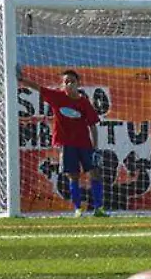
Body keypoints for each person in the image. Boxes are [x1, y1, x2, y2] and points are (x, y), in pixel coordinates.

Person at [16, 67, 105, 216]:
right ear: (62, 84)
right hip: (67, 145)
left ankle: (99, 208)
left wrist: (95, 148)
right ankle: (78, 209)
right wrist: (22, 80)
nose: (69, 84)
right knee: (73, 175)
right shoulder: (57, 97)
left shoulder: (84, 102)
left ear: (78, 83)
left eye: (72, 81)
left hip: (85, 144)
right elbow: (39, 88)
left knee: (95, 173)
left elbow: (93, 126)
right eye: (66, 81)